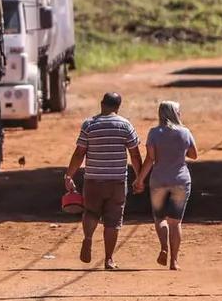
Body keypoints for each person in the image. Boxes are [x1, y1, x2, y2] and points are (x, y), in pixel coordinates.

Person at [64, 92, 143, 270]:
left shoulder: (90, 124)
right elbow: (135, 154)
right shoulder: (126, 125)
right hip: (117, 181)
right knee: (113, 221)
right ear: (118, 107)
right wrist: (140, 178)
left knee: (91, 212)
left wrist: (69, 175)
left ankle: (88, 238)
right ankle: (108, 259)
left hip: (93, 179)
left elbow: (79, 153)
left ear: (102, 104)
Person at [133, 101, 197, 270]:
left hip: (159, 180)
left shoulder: (154, 133)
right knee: (175, 223)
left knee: (159, 218)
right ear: (175, 114)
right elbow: (194, 154)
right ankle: (174, 261)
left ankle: (163, 248)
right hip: (181, 180)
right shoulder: (185, 132)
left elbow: (150, 159)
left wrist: (139, 179)